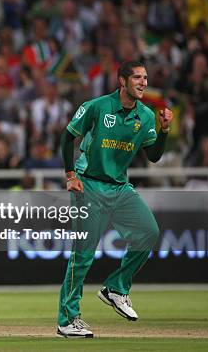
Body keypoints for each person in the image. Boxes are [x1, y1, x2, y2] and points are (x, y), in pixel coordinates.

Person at [56, 61, 173, 338]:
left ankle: (117, 288)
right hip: (89, 185)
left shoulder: (145, 116)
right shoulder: (97, 106)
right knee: (83, 254)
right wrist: (70, 174)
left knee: (148, 232)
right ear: (122, 81)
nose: (143, 82)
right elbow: (67, 137)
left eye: (145, 77)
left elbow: (154, 156)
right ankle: (67, 319)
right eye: (136, 77)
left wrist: (165, 129)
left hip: (119, 187)